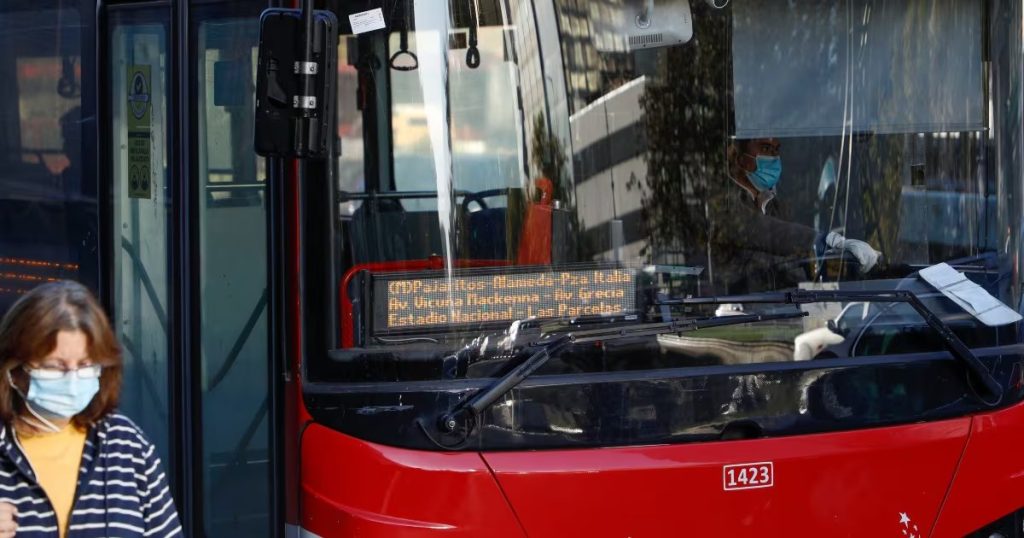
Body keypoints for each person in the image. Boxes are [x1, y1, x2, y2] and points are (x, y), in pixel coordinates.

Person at [0, 280, 181, 537]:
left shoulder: (126, 445)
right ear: (14, 371)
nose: (73, 379)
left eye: (85, 364)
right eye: (55, 366)